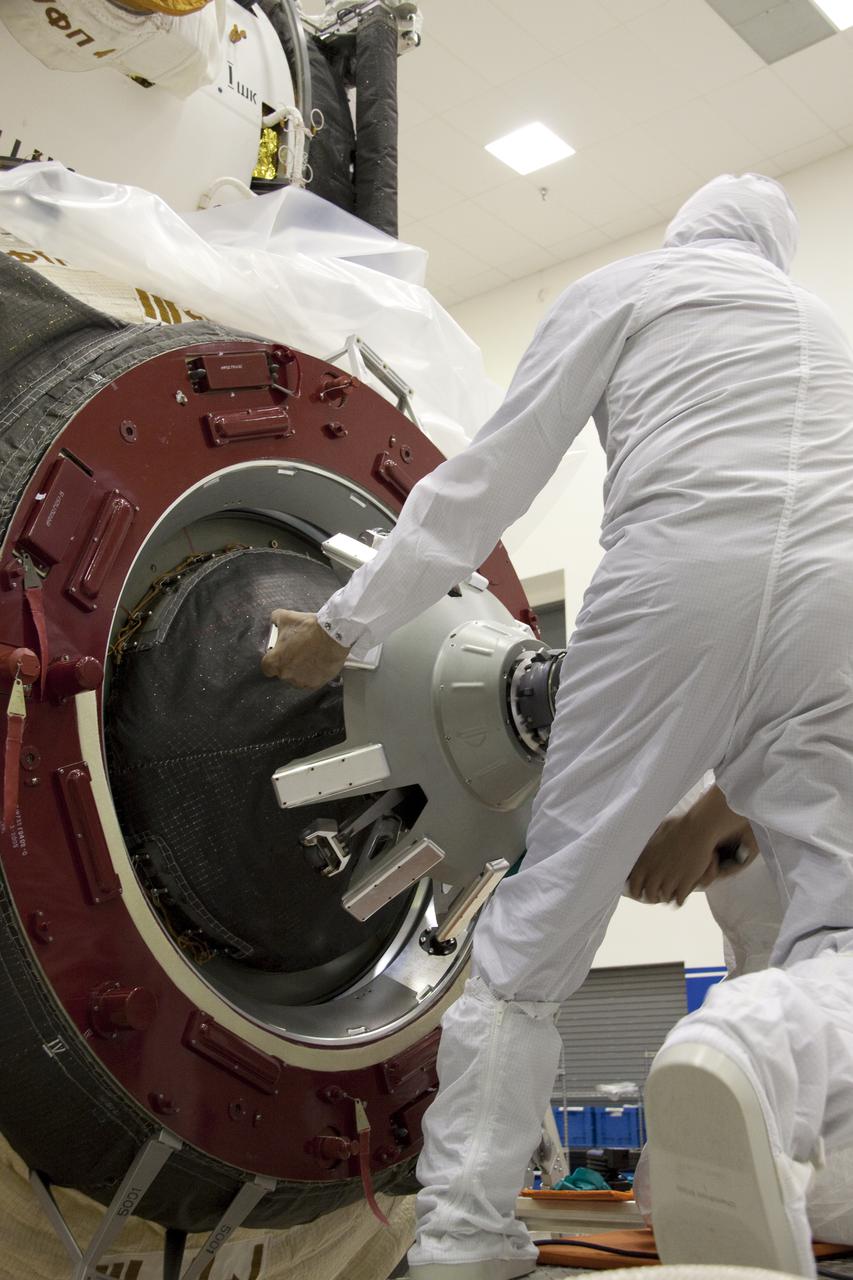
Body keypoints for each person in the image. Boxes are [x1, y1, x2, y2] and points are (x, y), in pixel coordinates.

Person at [262, 174, 853, 1280]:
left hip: (672, 578)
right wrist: (723, 804)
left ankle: (469, 1236)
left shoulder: (628, 286)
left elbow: (487, 481)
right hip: (839, 601)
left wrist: (346, 625)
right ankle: (820, 1163)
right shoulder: (821, 328)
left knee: (536, 933)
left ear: (686, 231)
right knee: (837, 919)